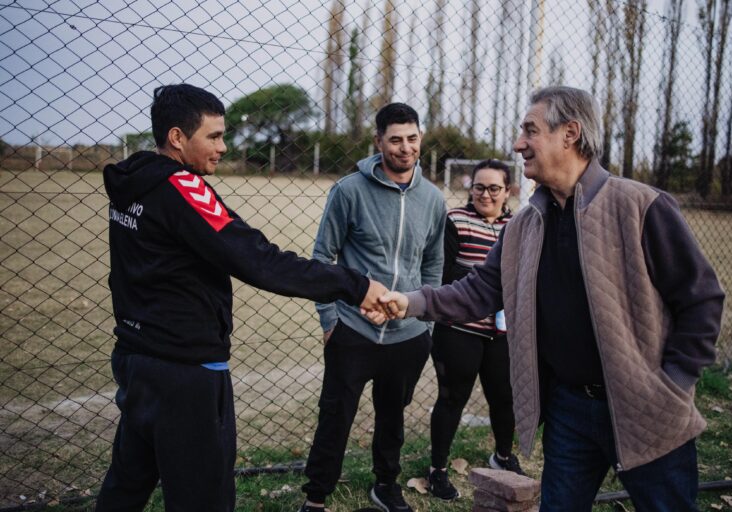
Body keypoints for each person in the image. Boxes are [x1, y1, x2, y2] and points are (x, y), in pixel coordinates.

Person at [374, 86, 725, 511]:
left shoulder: (640, 205)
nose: (518, 143)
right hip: (569, 411)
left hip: (646, 407)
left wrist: (673, 383)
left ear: (570, 134)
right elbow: (480, 291)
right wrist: (409, 302)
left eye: (530, 131)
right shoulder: (522, 227)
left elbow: (701, 298)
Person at [95, 83, 388, 512]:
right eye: (212, 136)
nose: (222, 146)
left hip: (136, 359)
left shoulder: (133, 182)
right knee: (203, 497)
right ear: (177, 138)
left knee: (127, 484)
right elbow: (257, 259)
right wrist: (356, 285)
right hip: (186, 372)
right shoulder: (183, 188)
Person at [299, 103, 446, 512]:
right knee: (335, 416)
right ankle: (316, 497)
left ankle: (386, 485)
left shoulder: (432, 199)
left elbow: (434, 262)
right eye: (395, 139)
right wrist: (330, 320)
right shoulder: (349, 191)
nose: (405, 148)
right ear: (378, 141)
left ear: (421, 139)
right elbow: (322, 258)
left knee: (392, 417)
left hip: (408, 334)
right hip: (353, 329)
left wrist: (426, 322)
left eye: (412, 139)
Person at [427, 159, 524, 502]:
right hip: (459, 328)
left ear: (508, 191)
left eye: (494, 188)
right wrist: (483, 289)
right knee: (452, 397)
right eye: (479, 187)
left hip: (502, 331)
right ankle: (437, 469)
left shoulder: (518, 225)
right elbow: (443, 273)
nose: (485, 194)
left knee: (504, 398)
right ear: (471, 189)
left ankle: (503, 455)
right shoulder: (456, 220)